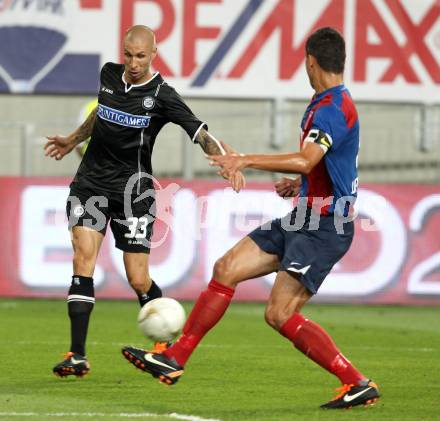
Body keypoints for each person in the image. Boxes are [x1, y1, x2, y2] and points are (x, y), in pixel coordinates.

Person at [121, 27, 380, 409]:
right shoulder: (325, 102)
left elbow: (309, 157)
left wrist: (246, 160)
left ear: (311, 61)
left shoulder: (333, 108)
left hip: (326, 226)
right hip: (303, 217)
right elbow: (322, 164)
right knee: (226, 268)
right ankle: (174, 359)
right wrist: (300, 183)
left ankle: (356, 382)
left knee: (279, 313)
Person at [44, 25, 244, 378]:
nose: (133, 63)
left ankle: (163, 351)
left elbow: (199, 133)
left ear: (154, 53)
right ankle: (77, 354)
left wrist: (227, 160)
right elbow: (100, 115)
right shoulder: (108, 75)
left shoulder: (163, 95)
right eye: (128, 55)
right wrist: (71, 139)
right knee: (82, 256)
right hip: (90, 184)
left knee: (138, 278)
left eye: (140, 56)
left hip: (133, 193)